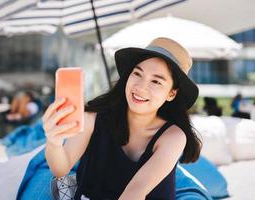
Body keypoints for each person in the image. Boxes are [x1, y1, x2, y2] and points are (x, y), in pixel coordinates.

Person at [43, 37, 202, 200]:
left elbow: (135, 193)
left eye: (156, 81)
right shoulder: (93, 117)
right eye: (137, 73)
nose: (140, 87)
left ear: (171, 93)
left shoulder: (173, 137)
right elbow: (60, 169)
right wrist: (54, 142)